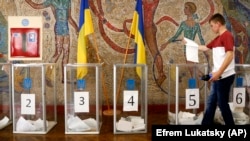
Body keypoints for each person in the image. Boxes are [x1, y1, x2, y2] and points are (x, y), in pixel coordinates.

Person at [25, 0, 78, 83]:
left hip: (66, 29)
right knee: (58, 52)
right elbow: (36, 6)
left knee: (66, 53)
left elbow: (69, 17)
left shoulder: (68, 1)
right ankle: (47, 74)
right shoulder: (53, 1)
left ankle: (64, 78)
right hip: (59, 28)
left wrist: (76, 28)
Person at [196, 13, 235, 125]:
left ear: (218, 24)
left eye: (212, 25)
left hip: (224, 76)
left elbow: (230, 55)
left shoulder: (227, 36)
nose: (212, 28)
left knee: (222, 104)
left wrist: (218, 73)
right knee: (212, 102)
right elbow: (205, 48)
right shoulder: (218, 38)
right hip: (218, 75)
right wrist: (189, 44)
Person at [160, 2, 207, 79]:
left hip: (188, 48)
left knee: (192, 69)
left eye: (186, 8)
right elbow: (201, 39)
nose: (184, 9)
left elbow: (176, 36)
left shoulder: (184, 24)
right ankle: (197, 87)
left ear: (190, 10)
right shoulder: (196, 25)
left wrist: (166, 43)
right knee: (192, 70)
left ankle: (207, 79)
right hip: (192, 48)